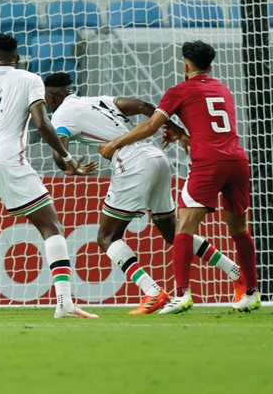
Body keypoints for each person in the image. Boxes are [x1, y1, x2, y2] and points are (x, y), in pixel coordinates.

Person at [44, 73, 246, 314]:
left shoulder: (61, 115)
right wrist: (178, 131)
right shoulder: (99, 100)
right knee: (174, 233)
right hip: (158, 159)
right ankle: (235, 272)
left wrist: (69, 166)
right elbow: (144, 106)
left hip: (132, 163)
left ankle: (152, 292)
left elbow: (59, 151)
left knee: (106, 237)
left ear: (51, 96)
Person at [98, 41, 260, 314]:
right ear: (211, 66)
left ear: (185, 66)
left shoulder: (180, 90)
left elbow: (150, 125)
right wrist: (180, 133)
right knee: (240, 230)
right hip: (238, 161)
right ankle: (252, 293)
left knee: (183, 228)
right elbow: (209, 124)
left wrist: (115, 143)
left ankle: (182, 294)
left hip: (209, 163)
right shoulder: (223, 89)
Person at [0, 34, 100, 319]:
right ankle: (64, 303)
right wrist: (68, 160)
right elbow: (42, 124)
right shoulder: (30, 79)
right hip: (9, 160)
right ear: (17, 58)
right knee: (51, 227)